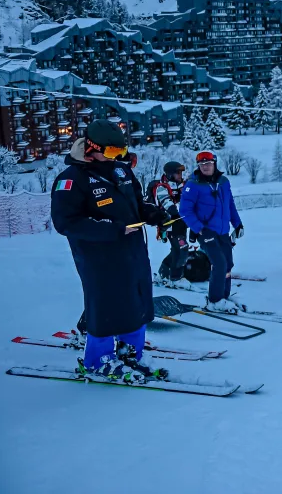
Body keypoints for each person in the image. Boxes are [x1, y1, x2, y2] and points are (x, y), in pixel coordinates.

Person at [50, 120, 169, 382]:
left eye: (120, 153)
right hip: (99, 258)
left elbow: (138, 204)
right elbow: (65, 222)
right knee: (106, 306)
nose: (116, 158)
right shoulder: (71, 180)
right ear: (91, 148)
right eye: (112, 152)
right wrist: (112, 229)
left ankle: (131, 354)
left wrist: (153, 214)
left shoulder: (122, 172)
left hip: (133, 252)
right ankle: (97, 360)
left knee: (137, 302)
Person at [179, 151, 244, 313]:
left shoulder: (223, 182)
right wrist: (199, 229)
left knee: (228, 264)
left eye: (208, 164)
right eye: (202, 165)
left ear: (214, 164)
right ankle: (214, 300)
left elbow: (230, 204)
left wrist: (237, 223)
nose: (205, 167)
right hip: (206, 232)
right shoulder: (193, 185)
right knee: (219, 263)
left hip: (223, 231)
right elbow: (185, 211)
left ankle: (224, 296)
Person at [151, 161, 189, 286]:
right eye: (178, 172)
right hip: (171, 224)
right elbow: (166, 203)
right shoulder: (162, 187)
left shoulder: (182, 185)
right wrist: (176, 211)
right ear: (170, 174)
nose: (180, 175)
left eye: (181, 172)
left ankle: (163, 272)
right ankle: (176, 278)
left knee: (176, 250)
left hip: (182, 223)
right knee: (182, 249)